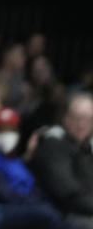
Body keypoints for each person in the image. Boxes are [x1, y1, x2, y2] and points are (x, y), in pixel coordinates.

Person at [30, 93, 93, 228]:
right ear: (65, 118)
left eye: (88, 119)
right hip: (63, 216)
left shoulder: (86, 148)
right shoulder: (53, 146)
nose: (82, 125)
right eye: (76, 118)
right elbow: (69, 194)